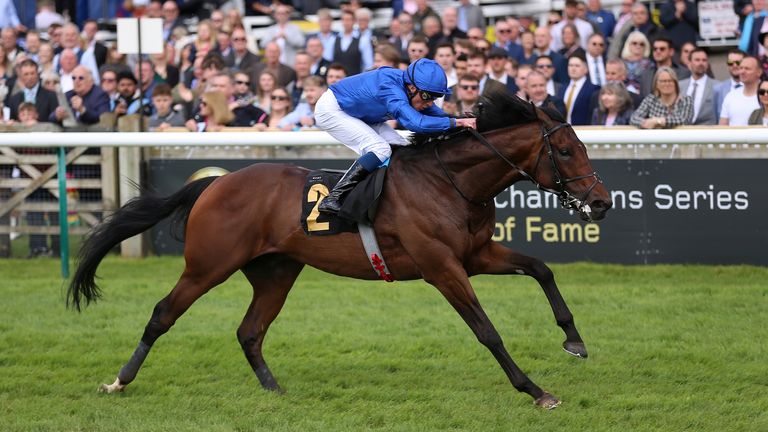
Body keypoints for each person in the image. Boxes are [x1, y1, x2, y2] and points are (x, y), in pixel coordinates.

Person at [314, 58, 476, 214]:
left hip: (364, 114)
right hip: (333, 109)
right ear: (412, 88)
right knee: (380, 149)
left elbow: (434, 112)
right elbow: (416, 124)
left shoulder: (411, 88)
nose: (430, 102)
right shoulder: (391, 89)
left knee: (403, 149)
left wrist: (459, 119)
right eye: (428, 96)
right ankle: (334, 197)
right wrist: (456, 123)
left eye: (435, 97)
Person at [678, 48, 718, 125]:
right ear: (689, 63)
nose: (701, 63)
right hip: (682, 132)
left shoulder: (717, 86)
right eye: (697, 60)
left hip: (707, 133)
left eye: (704, 60)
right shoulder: (679, 86)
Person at [719, 56, 762, 125]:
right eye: (741, 68)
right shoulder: (730, 96)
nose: (742, 72)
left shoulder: (764, 95)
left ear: (759, 72)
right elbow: (722, 126)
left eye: (747, 69)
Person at [559, 54, 600, 125]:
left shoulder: (594, 89)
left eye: (577, 66)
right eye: (570, 65)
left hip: (583, 131)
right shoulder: (562, 88)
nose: (573, 68)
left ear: (586, 69)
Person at [714, 49, 746, 120]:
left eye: (738, 62)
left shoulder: (758, 87)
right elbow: (716, 118)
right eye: (730, 62)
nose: (734, 65)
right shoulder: (718, 89)